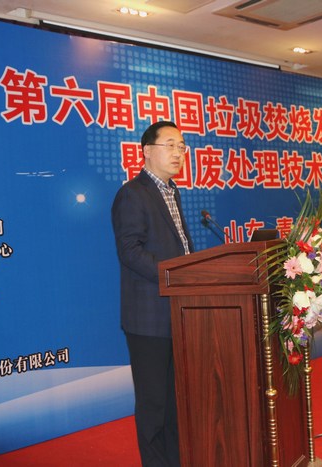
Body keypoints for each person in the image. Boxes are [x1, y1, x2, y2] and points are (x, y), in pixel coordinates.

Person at [111, 121, 194, 467]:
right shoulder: (133, 193)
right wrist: (175, 275)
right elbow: (130, 251)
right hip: (148, 320)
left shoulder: (172, 193)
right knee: (153, 405)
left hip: (178, 314)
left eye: (182, 147)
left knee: (176, 403)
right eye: (170, 145)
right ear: (147, 151)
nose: (178, 153)